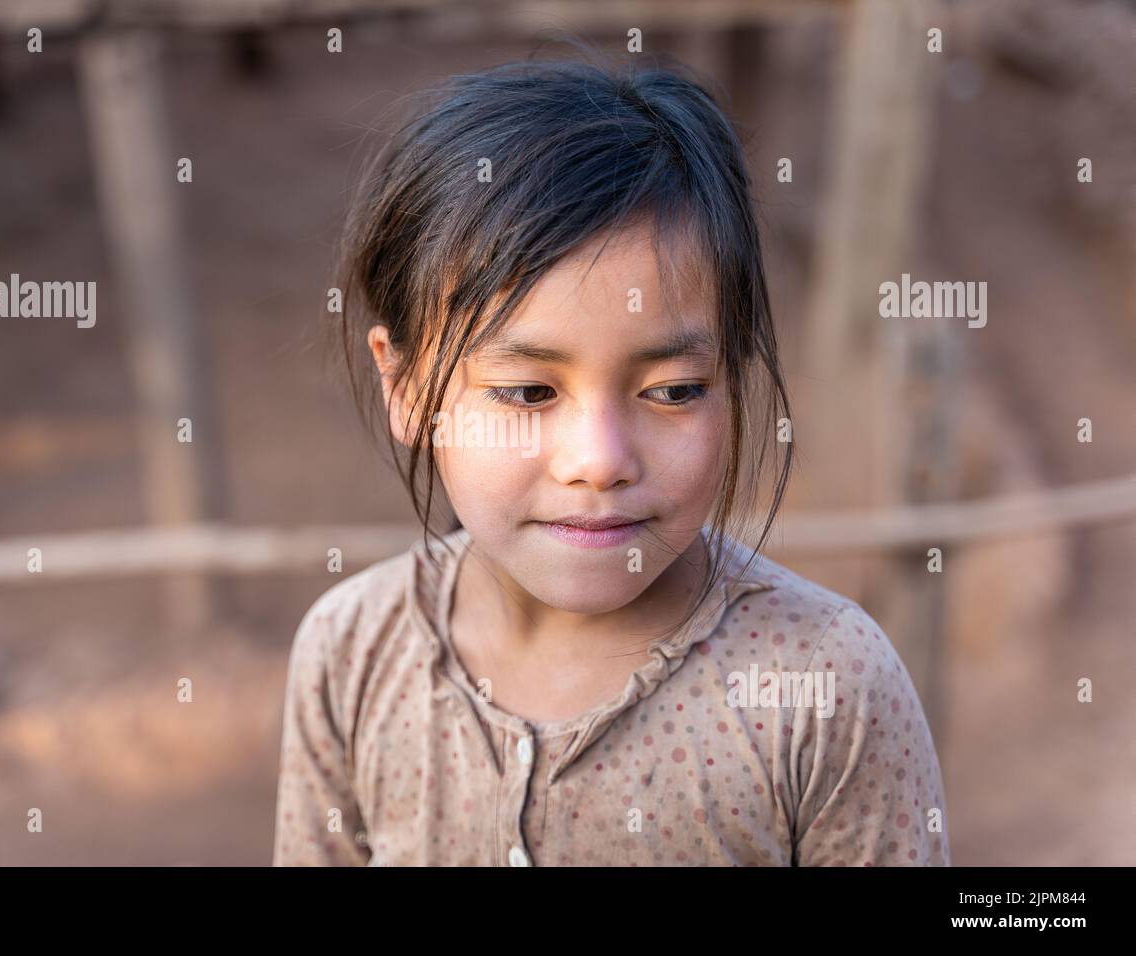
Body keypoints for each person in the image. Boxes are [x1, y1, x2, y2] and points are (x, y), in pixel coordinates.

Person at [272, 53, 950, 866]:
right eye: (528, 392)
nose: (600, 462)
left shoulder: (822, 687)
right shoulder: (352, 655)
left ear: (732, 382)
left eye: (672, 391)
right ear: (408, 386)